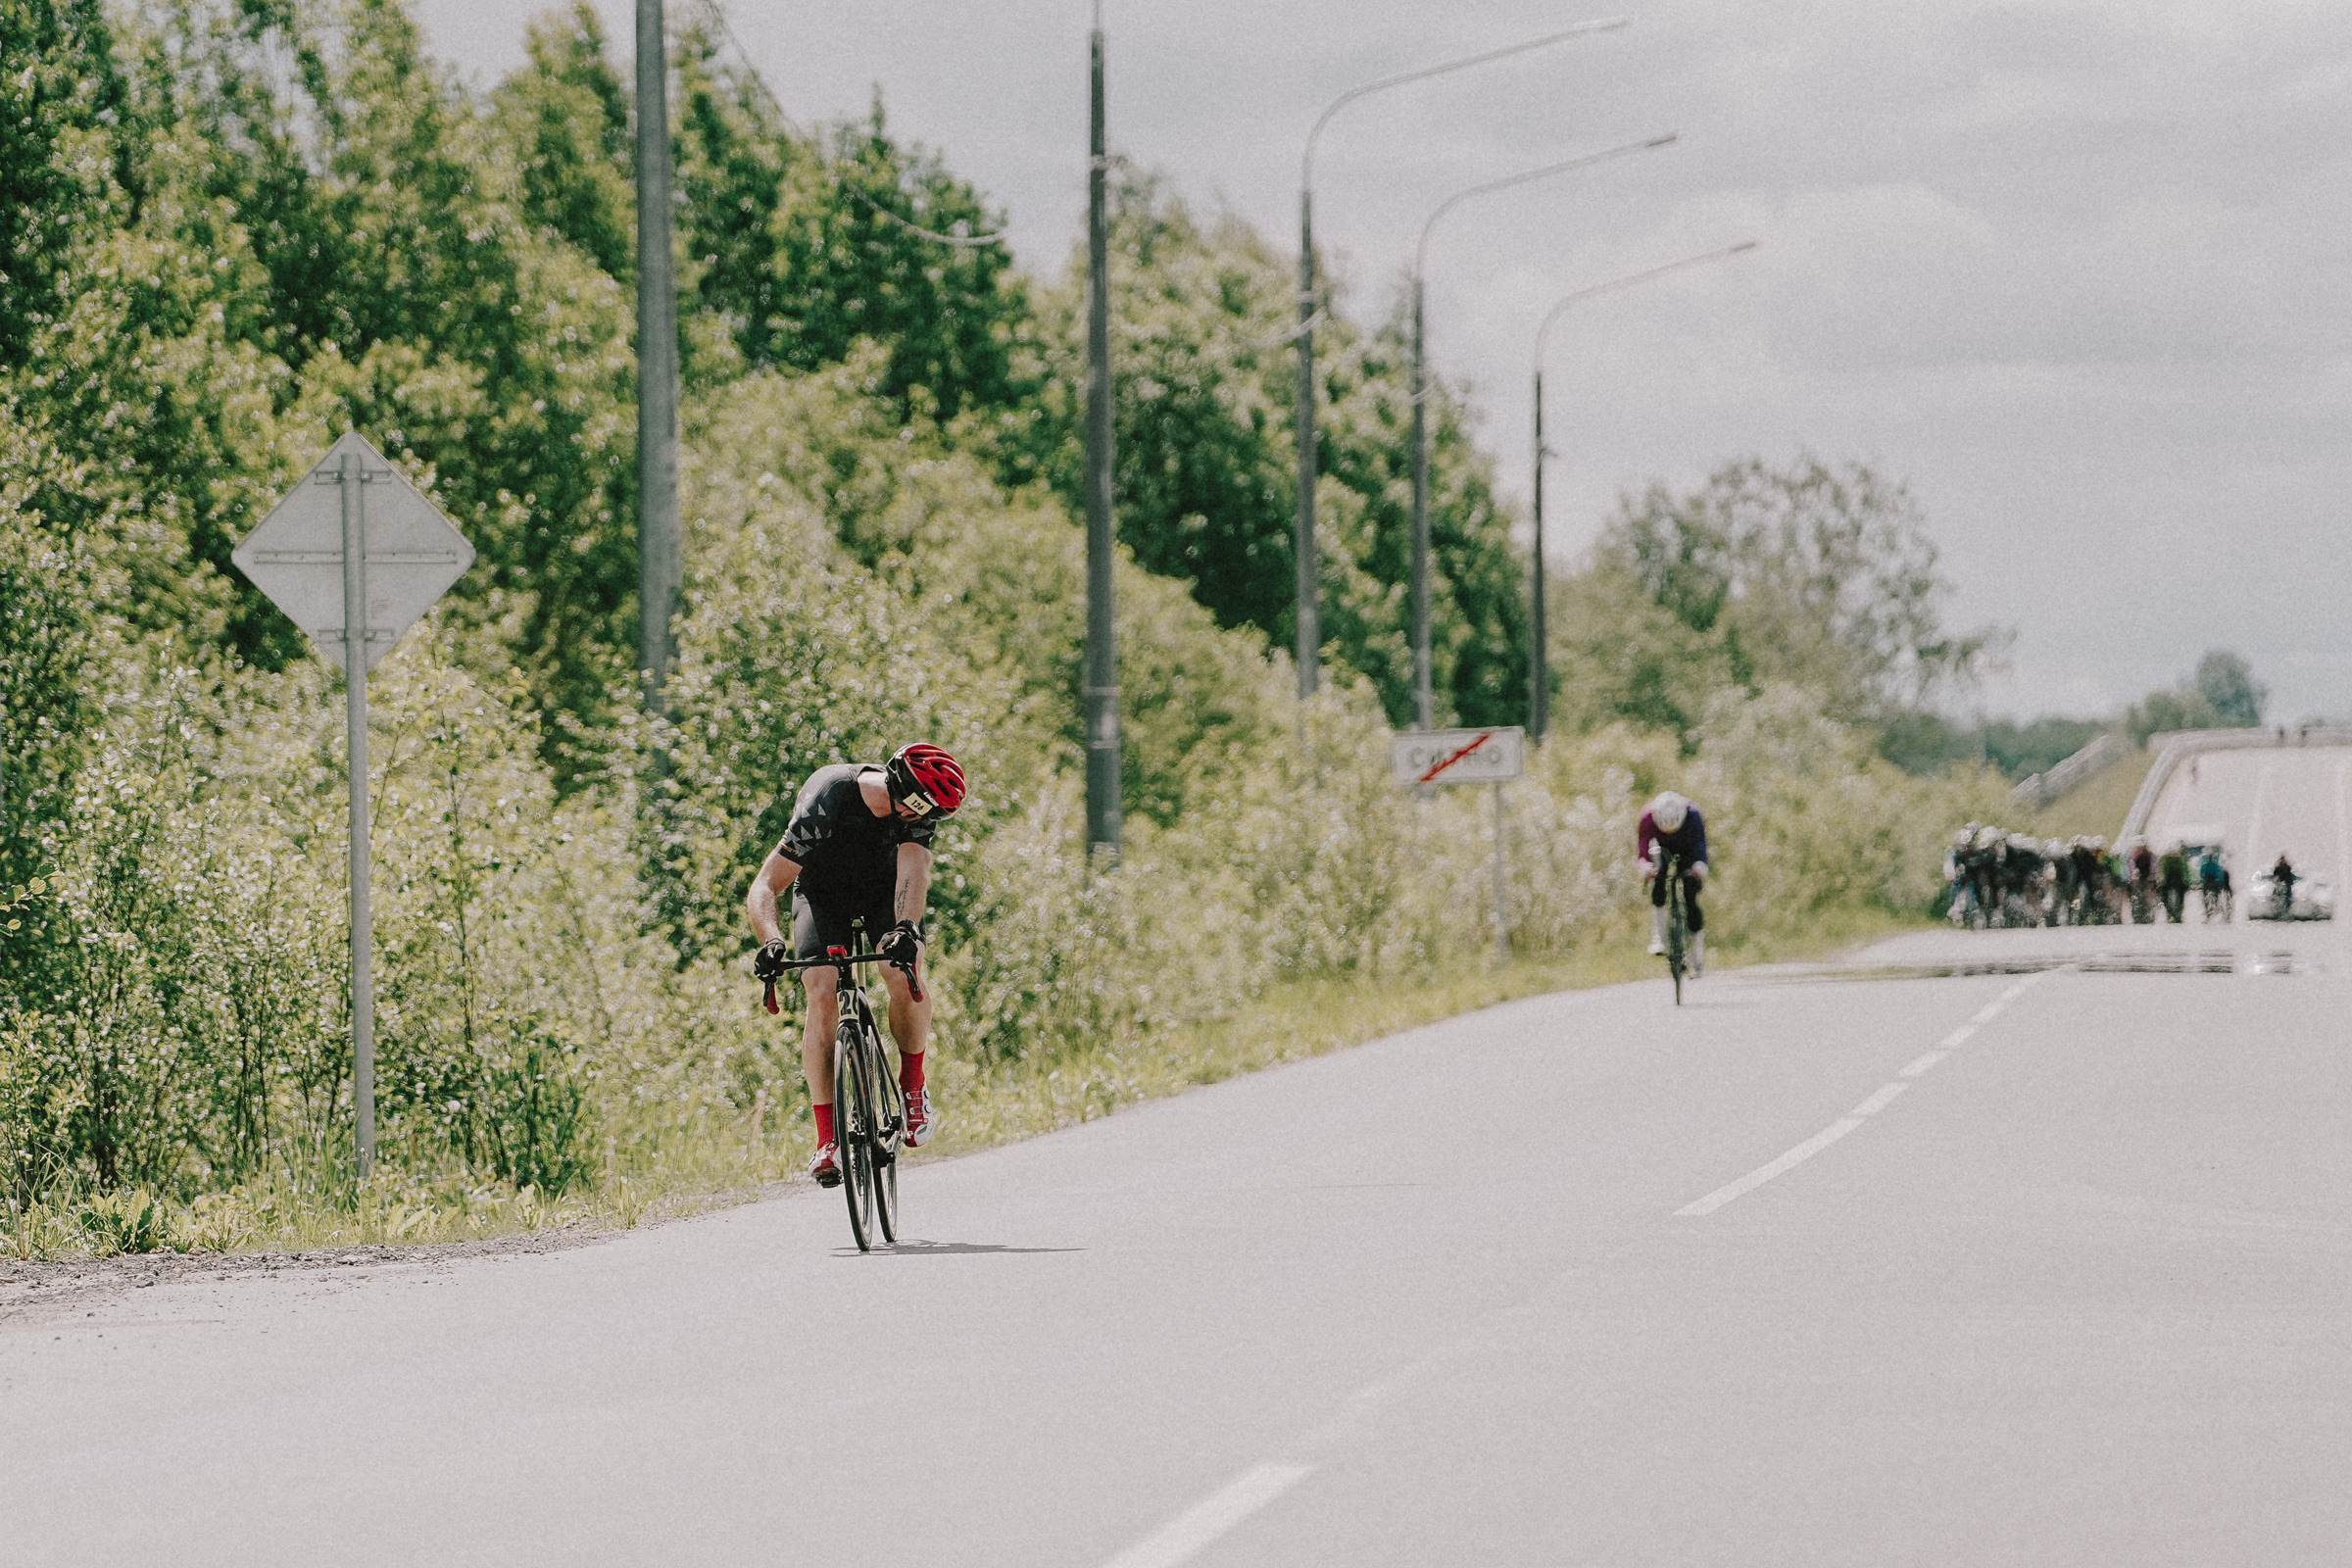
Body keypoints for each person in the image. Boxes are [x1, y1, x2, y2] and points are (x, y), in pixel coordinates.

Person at [745, 743, 967, 1187]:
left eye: (932, 814)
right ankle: (826, 1140)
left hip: (883, 892)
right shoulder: (829, 796)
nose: (919, 818)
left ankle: (913, 1085)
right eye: (918, 807)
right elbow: (765, 884)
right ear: (896, 784)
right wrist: (771, 940)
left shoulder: (916, 813)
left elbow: (914, 871)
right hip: (822, 894)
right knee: (822, 994)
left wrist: (906, 928)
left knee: (903, 969)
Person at [1638, 790, 1709, 976]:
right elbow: (1643, 848)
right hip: (1662, 849)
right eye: (1664, 827)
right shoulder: (1647, 817)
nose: (1669, 830)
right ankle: (1659, 937)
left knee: (1691, 897)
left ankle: (1697, 958)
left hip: (1688, 849)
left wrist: (1700, 865)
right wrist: (1645, 867)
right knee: (1658, 878)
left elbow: (1700, 845)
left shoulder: (1693, 815)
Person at [2158, 842, 2189, 924]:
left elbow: (2184, 870)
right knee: (2165, 895)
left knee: (2179, 895)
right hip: (2170, 879)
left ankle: (2176, 913)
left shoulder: (2179, 859)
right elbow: (2162, 870)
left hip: (2176, 879)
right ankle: (2172, 913)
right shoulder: (2166, 859)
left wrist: (2186, 880)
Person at [2270, 853, 2299, 919]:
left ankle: (2284, 911)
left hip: (2285, 884)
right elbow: (2275, 875)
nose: (2283, 861)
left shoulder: (2284, 867)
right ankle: (2277, 910)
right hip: (2282, 884)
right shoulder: (2281, 867)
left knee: (2287, 898)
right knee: (2277, 896)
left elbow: (2275, 875)